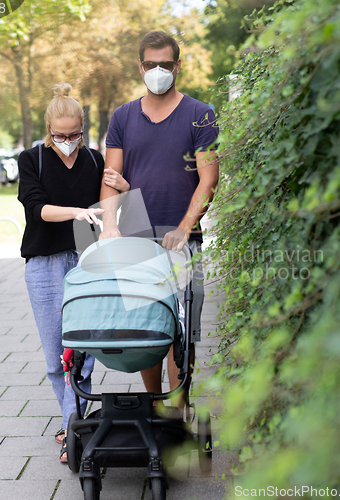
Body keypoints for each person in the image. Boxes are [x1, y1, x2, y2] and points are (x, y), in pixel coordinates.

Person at [99, 31, 219, 408]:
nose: (157, 71)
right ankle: (155, 409)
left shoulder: (200, 115)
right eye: (150, 64)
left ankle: (178, 408)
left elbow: (209, 178)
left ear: (177, 66)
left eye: (165, 64)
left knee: (182, 333)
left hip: (182, 239)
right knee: (145, 329)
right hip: (136, 239)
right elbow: (110, 180)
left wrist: (184, 229)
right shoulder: (122, 117)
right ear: (140, 66)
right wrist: (111, 225)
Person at [18, 83, 108, 463]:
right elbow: (36, 208)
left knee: (84, 347)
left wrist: (121, 189)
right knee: (57, 352)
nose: (68, 141)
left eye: (75, 134)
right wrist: (74, 211)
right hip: (45, 262)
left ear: (83, 128)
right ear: (48, 131)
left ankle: (76, 422)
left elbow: (109, 208)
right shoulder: (32, 159)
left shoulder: (95, 160)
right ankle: (72, 419)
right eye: (61, 136)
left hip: (85, 258)